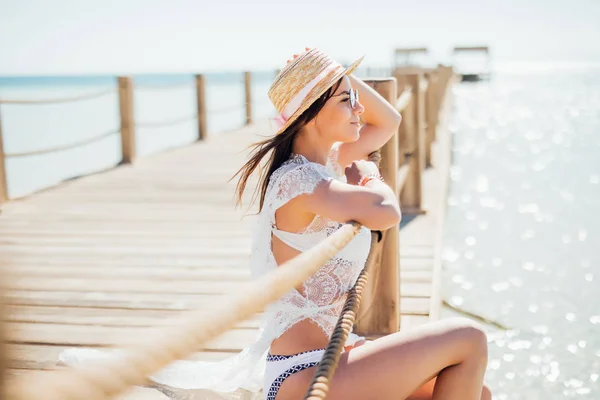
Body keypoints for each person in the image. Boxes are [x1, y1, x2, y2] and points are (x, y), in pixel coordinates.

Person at [59, 48, 491, 400]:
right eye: (345, 100)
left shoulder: (328, 163)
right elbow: (386, 211)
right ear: (309, 115)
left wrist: (337, 74)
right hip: (305, 376)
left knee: (477, 390)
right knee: (467, 338)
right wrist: (371, 176)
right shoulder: (300, 181)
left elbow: (390, 122)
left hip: (339, 354)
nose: (359, 108)